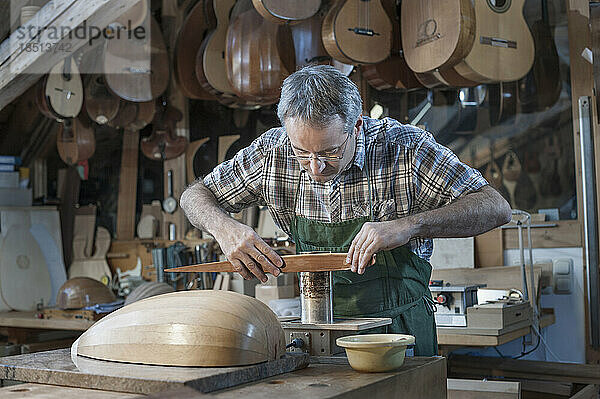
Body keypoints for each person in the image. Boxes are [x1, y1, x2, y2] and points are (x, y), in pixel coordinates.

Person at [180, 65, 512, 356]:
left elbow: (495, 207)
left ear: (356, 126)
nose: (315, 167)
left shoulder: (404, 148)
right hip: (321, 330)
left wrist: (408, 226)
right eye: (302, 152)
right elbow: (194, 196)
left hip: (399, 332)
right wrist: (226, 229)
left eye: (330, 152)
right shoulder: (272, 153)